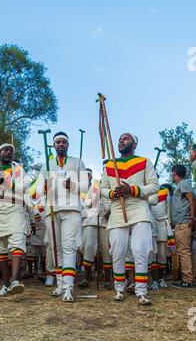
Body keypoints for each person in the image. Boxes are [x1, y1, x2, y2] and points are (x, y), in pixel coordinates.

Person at [100, 133, 159, 305]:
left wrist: (133, 190)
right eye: (119, 139)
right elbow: (102, 188)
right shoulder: (110, 165)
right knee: (117, 251)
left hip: (139, 209)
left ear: (134, 144)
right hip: (118, 210)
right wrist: (113, 193)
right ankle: (119, 288)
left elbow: (155, 185)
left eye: (126, 139)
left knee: (140, 250)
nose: (121, 141)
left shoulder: (144, 161)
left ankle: (141, 291)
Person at [37, 131, 88, 302]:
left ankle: (68, 287)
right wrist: (44, 187)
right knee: (56, 248)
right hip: (52, 210)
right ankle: (60, 284)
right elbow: (37, 190)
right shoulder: (46, 164)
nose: (60, 145)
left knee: (69, 247)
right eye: (57, 142)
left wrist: (73, 185)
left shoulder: (77, 162)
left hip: (72, 209)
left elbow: (86, 185)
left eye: (63, 142)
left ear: (67, 145)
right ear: (53, 145)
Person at [0, 143, 31, 297]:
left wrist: (9, 182)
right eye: (5, 150)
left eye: (11, 150)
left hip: (15, 208)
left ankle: (15, 281)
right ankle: (5, 285)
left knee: (17, 242)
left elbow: (26, 186)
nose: (8, 152)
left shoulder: (18, 169)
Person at [170, 164, 195, 288]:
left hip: (184, 222)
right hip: (180, 223)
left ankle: (187, 280)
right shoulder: (179, 186)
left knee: (184, 251)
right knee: (183, 251)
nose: (171, 176)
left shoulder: (183, 183)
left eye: (172, 173)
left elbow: (192, 199)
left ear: (175, 173)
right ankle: (188, 278)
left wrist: (192, 217)